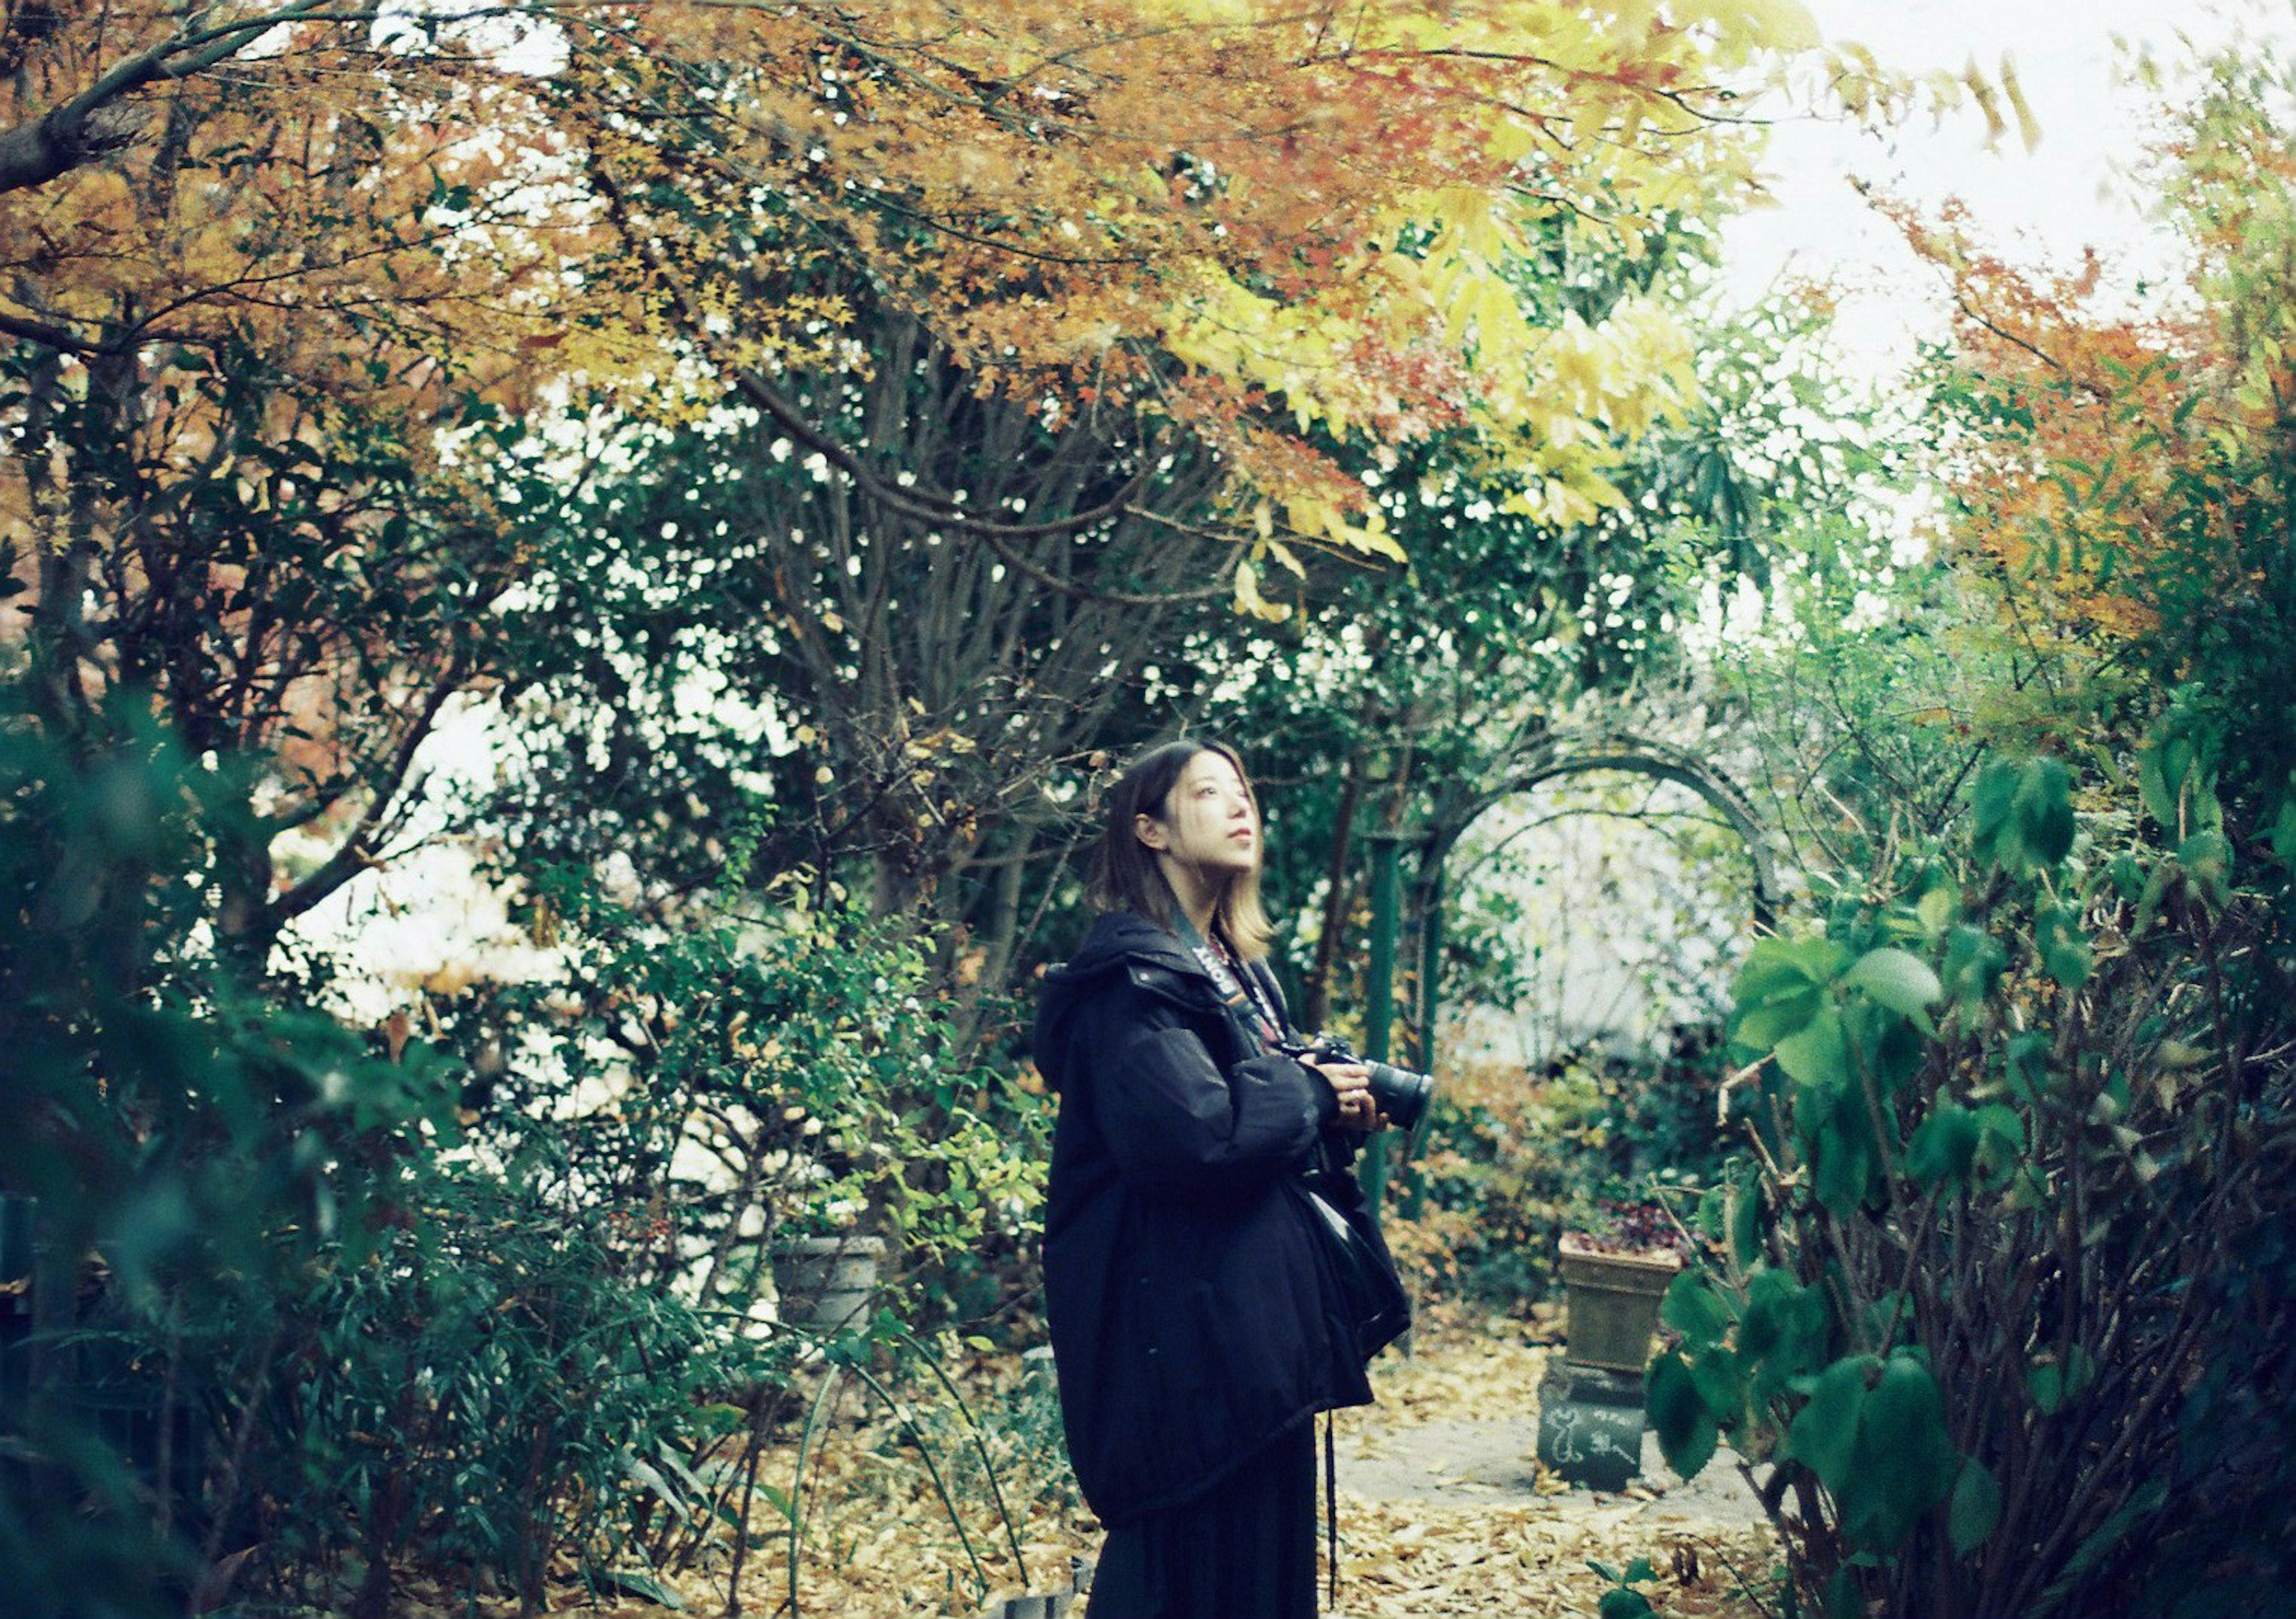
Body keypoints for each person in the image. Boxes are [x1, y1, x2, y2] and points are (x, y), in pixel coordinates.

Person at [1032, 738, 1406, 1619]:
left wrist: (1329, 1114)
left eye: (1243, 790)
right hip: (1185, 1352)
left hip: (1250, 1344)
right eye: (1209, 793)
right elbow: (1191, 1139)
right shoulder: (1128, 981)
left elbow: (1251, 1128)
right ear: (1149, 830)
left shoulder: (1240, 972)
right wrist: (1308, 1089)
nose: (1242, 807)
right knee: (1179, 1575)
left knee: (1257, 1581)